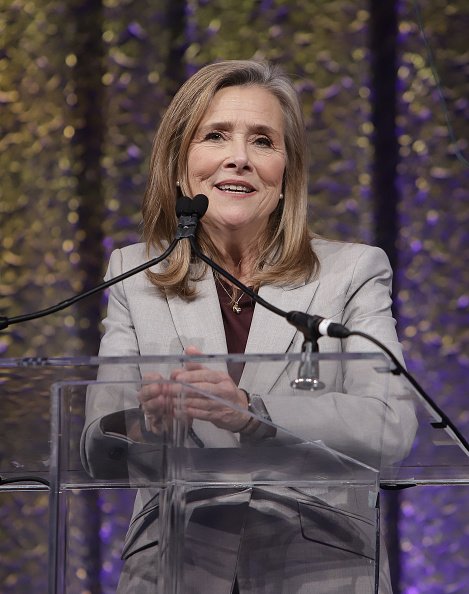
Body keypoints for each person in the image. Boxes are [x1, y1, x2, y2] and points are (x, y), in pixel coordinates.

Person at [81, 60, 417, 593]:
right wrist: (144, 422)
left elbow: (389, 426)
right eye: (215, 136)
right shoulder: (134, 272)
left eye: (263, 141)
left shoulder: (353, 271)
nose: (239, 158)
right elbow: (97, 446)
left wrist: (253, 414)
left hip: (317, 565)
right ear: (178, 164)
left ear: (287, 174)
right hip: (174, 564)